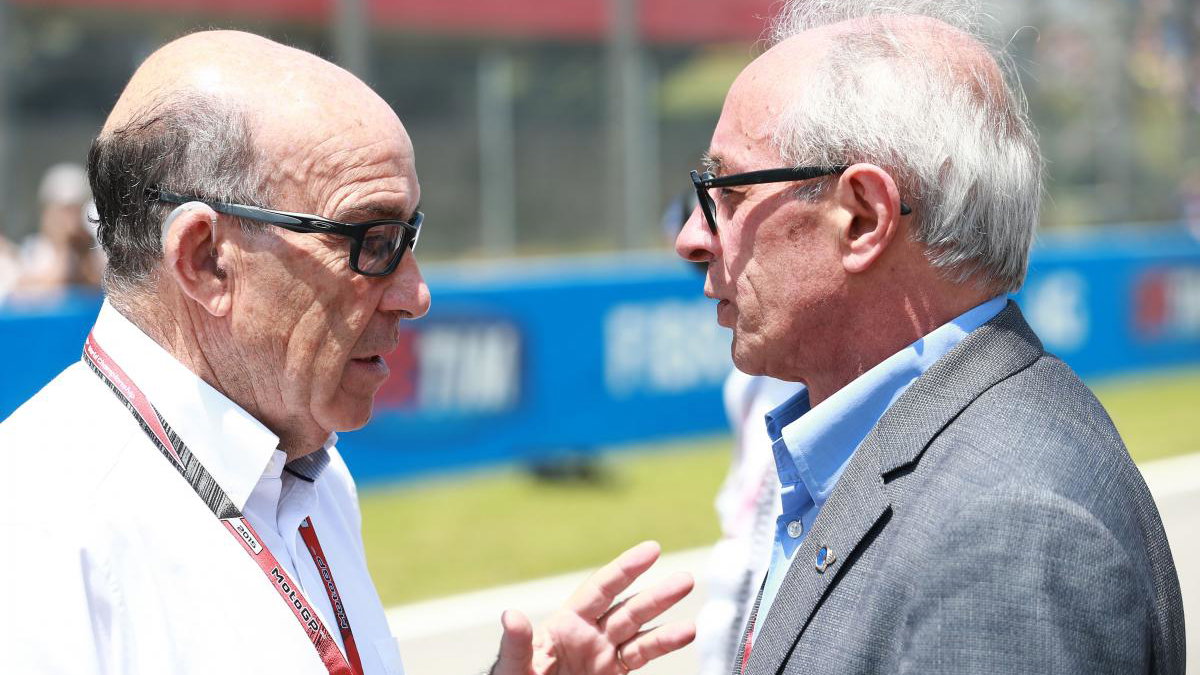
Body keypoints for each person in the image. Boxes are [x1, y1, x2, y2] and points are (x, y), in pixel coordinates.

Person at [0, 31, 695, 675]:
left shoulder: (308, 473)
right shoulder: (37, 533)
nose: (415, 295)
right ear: (206, 259)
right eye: (371, 240)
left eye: (409, 236)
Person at [673, 2, 1185, 674]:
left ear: (863, 219)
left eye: (728, 193)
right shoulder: (933, 456)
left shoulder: (1007, 528)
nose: (692, 238)